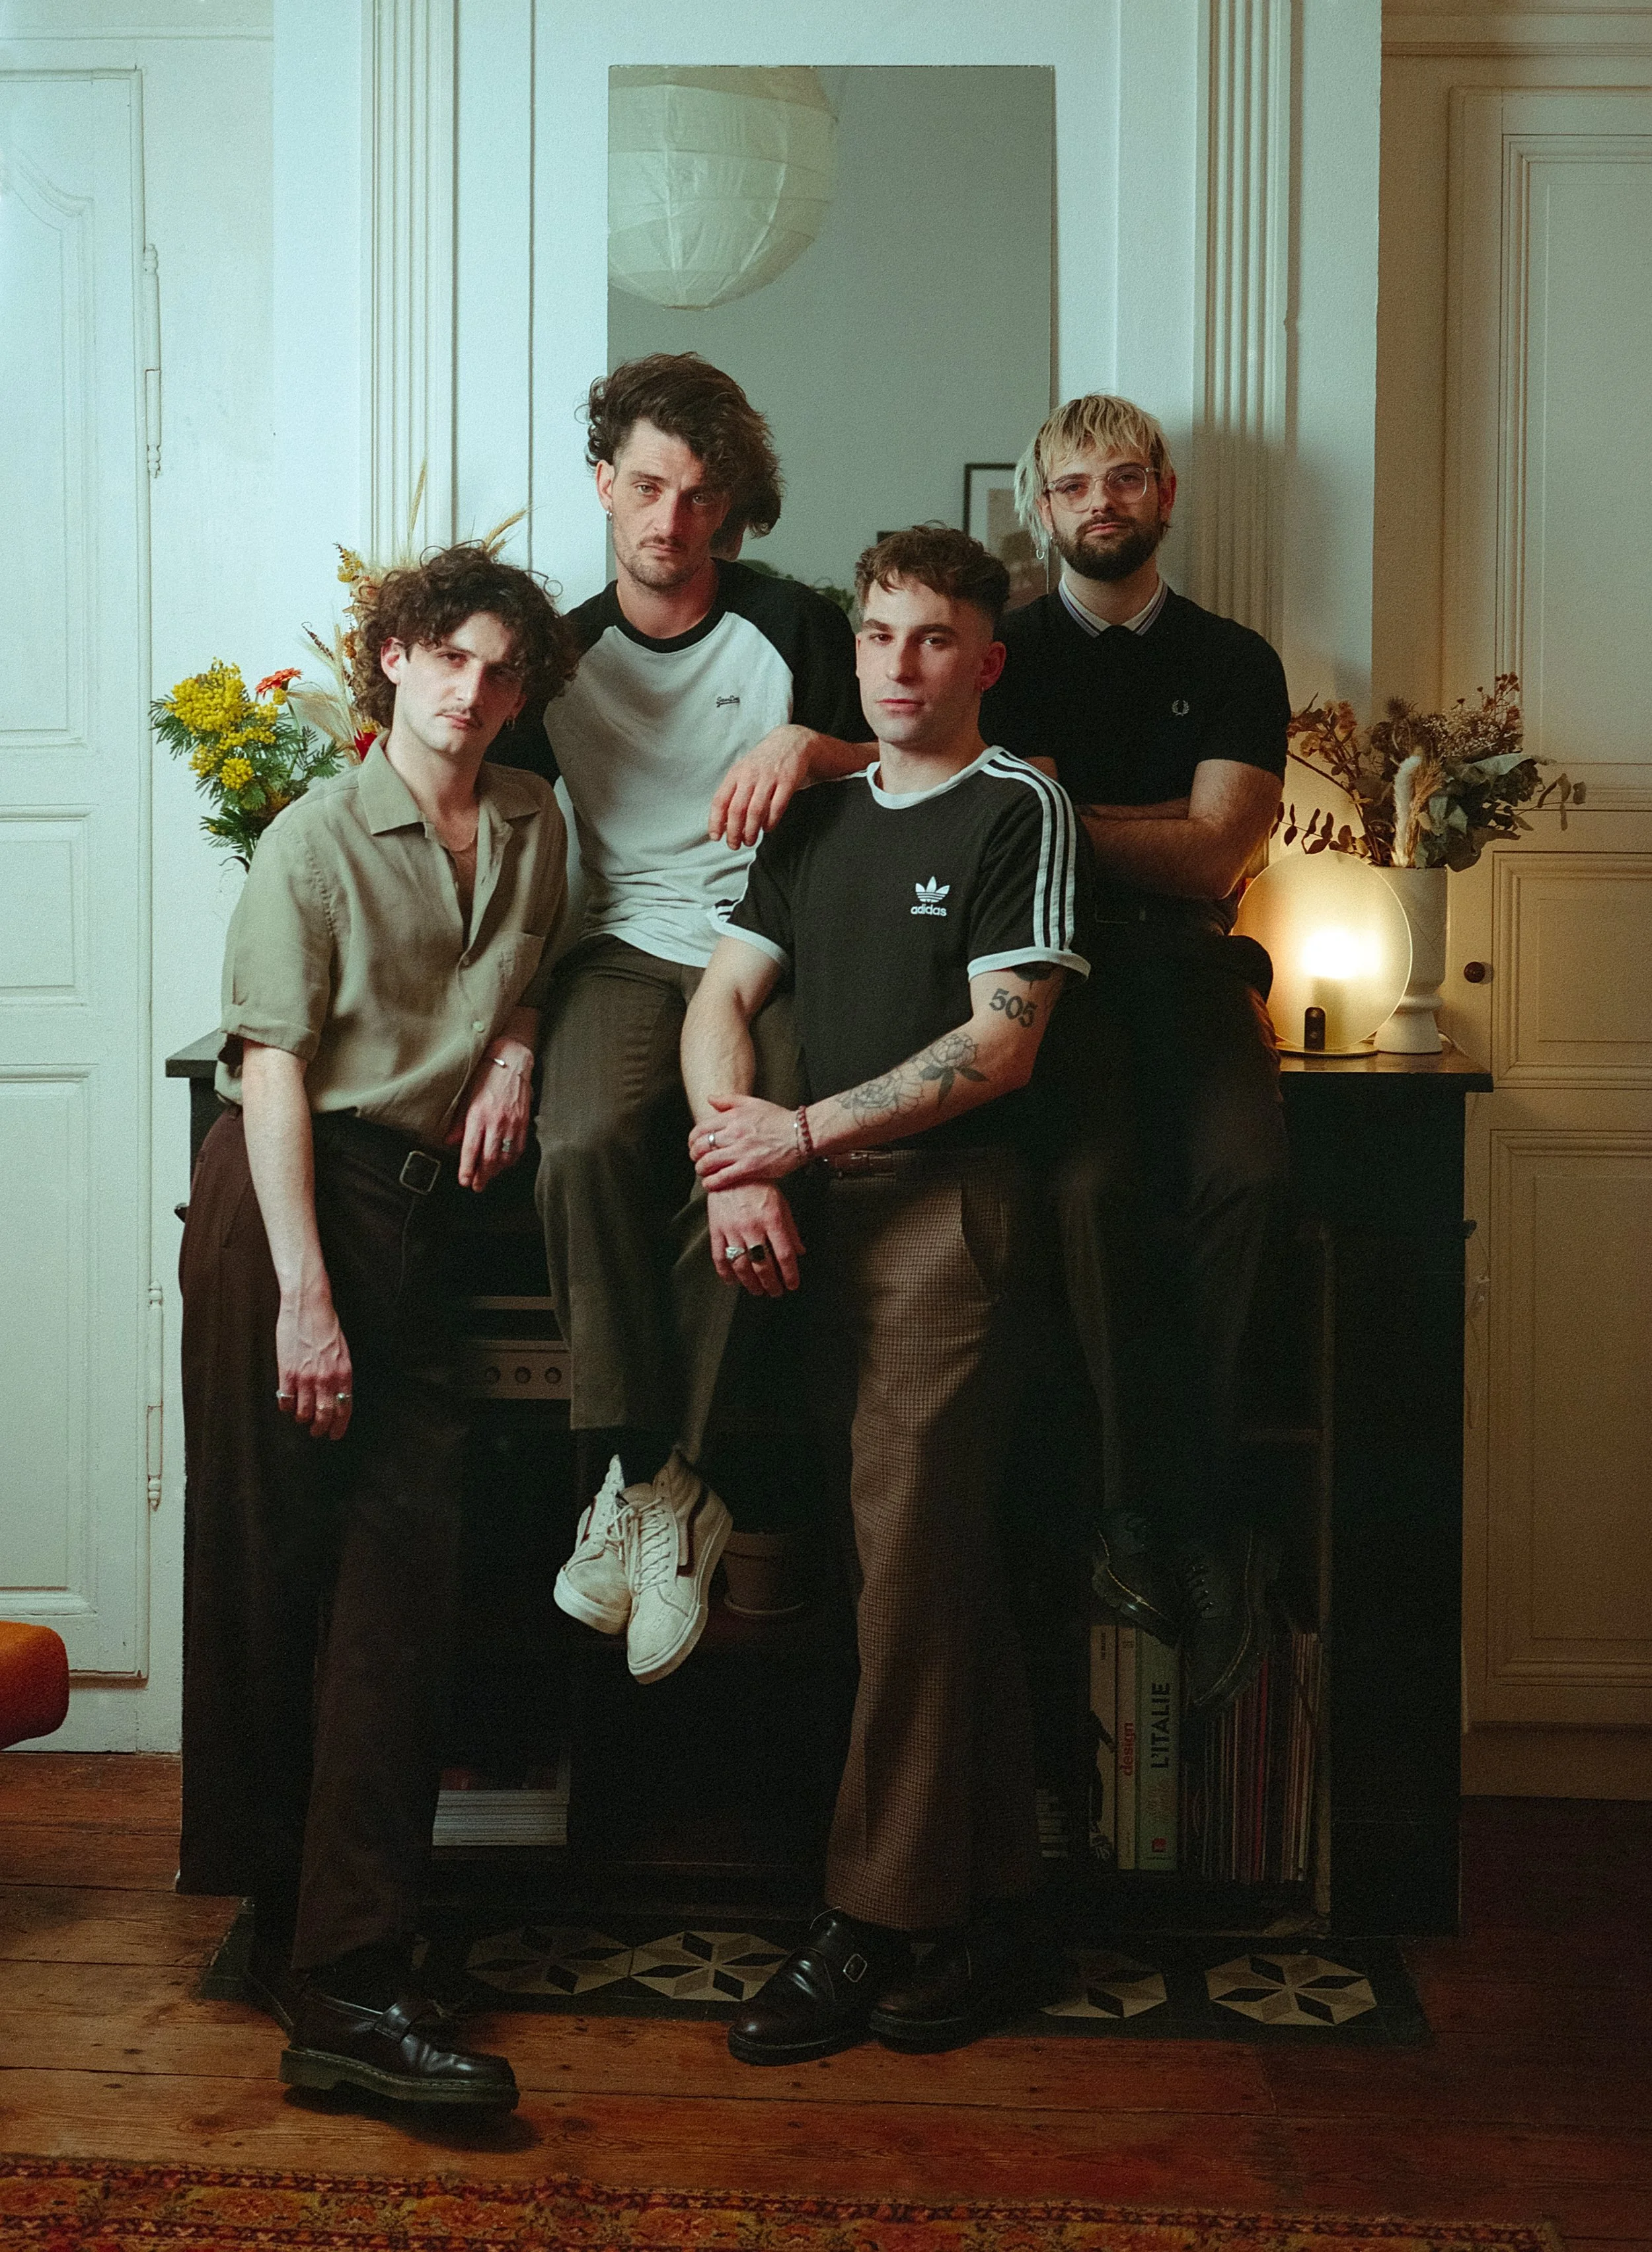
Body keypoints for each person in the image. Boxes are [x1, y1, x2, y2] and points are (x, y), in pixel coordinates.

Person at [178, 544, 578, 2108]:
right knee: (279, 1576)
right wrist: (302, 1301)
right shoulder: (312, 839)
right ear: (394, 659)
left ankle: (342, 1947)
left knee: (398, 1588)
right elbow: (271, 1069)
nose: (472, 694)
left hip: (415, 1214)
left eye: (500, 671)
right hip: (285, 1204)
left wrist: (519, 1050)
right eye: (447, 659)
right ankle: (326, 1970)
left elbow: (529, 968)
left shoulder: (538, 820)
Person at [681, 526, 1088, 2062]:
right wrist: (737, 1166)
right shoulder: (819, 813)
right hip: (803, 1212)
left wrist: (802, 1132)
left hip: (946, 1215)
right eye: (877, 636)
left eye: (932, 640)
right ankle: (986, 1908)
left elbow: (1000, 1044)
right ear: (846, 649)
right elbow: (724, 995)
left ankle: (869, 1922)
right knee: (908, 1574)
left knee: (910, 1574)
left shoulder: (1019, 803)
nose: (900, 664)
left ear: (983, 660)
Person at [529, 353, 868, 1685]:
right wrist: (506, 1038)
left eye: (698, 493)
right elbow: (489, 845)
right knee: (577, 1145)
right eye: (648, 486)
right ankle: (652, 1479)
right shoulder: (553, 653)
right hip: (617, 950)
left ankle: (661, 1489)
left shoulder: (797, 627)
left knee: (755, 1153)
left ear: (728, 505)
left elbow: (916, 757)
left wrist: (814, 747)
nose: (670, 519)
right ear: (604, 484)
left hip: (768, 949)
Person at [980, 393, 1291, 1713]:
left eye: (1121, 481)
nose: (1096, 504)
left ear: (1163, 494)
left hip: (1194, 973)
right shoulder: (1001, 651)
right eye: (1069, 487)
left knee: (1248, 1184)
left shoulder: (1235, 659)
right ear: (1036, 508)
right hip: (1061, 978)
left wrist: (1071, 806)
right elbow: (1021, 834)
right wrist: (1158, 811)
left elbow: (1221, 852)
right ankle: (1128, 1523)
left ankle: (1188, 1509)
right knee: (1089, 1193)